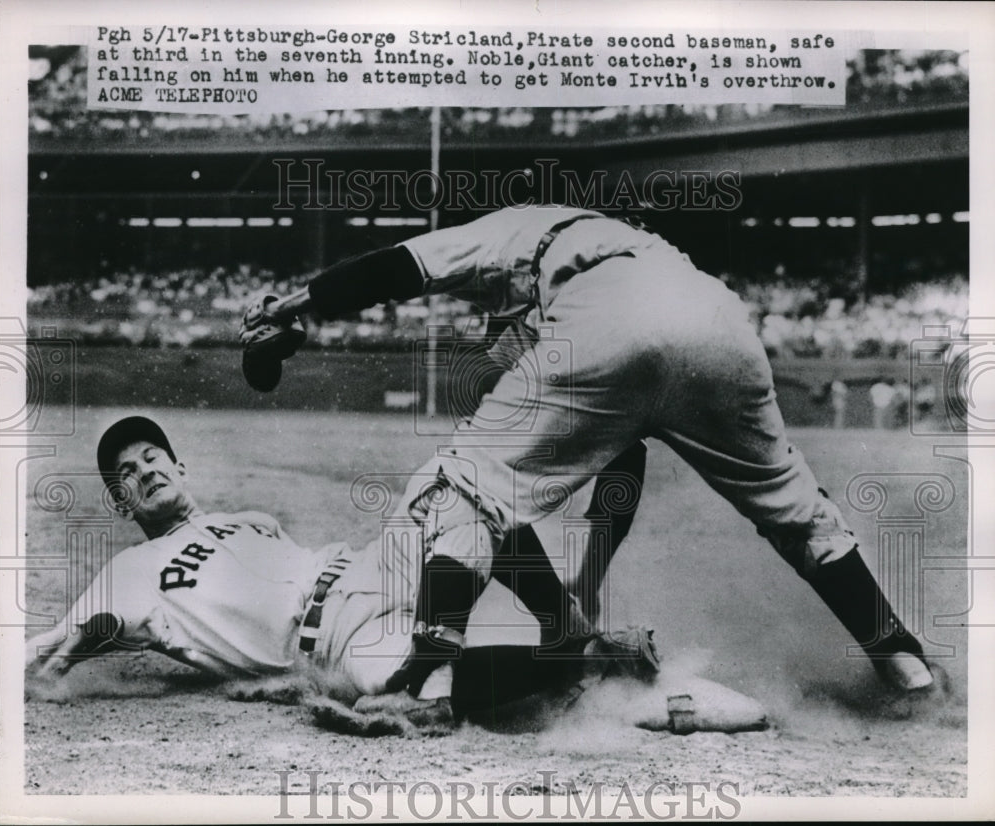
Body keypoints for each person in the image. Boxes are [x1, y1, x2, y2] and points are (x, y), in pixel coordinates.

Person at [240, 204, 944, 711]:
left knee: (464, 487)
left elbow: (399, 267)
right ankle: (901, 658)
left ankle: (429, 678)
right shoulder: (623, 244)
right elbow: (620, 467)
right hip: (723, 324)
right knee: (800, 514)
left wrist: (296, 305)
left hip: (610, 317)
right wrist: (576, 601)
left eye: (501, 331)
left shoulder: (510, 230)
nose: (504, 342)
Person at [24, 415, 662, 732]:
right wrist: (94, 633)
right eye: (127, 475)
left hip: (364, 568)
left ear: (178, 465)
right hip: (328, 641)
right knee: (404, 687)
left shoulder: (248, 518)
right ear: (121, 501)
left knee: (457, 486)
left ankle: (562, 623)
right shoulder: (129, 572)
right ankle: (580, 658)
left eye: (151, 456)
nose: (144, 471)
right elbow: (54, 647)